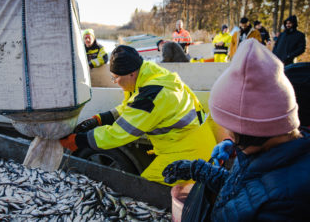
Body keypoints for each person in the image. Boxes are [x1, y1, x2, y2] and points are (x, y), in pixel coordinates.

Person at [162, 39, 310, 221]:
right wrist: (200, 170)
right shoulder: (261, 152)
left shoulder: (285, 205)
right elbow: (244, 192)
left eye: (228, 127)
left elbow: (254, 197)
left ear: (250, 132)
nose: (227, 135)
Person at [60, 45, 215, 186]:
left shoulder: (151, 96)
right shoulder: (147, 72)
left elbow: (119, 134)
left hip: (190, 152)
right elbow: (131, 106)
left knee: (146, 188)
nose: (114, 82)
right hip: (193, 140)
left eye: (116, 78)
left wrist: (80, 141)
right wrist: (101, 118)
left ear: (131, 74)